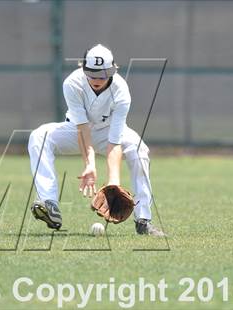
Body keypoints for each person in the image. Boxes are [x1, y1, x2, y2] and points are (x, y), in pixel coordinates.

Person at [27, 44, 164, 236]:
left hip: (108, 133)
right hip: (75, 130)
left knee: (139, 149)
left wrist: (113, 184)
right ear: (83, 70)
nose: (97, 79)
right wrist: (89, 164)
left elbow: (114, 142)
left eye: (103, 74)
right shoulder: (72, 83)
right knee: (39, 137)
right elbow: (82, 129)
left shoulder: (121, 90)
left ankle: (143, 221)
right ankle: (50, 204)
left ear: (112, 71)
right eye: (92, 74)